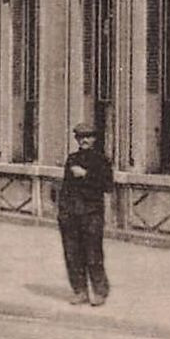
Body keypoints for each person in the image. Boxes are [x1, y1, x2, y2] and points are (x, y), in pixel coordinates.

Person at [59, 122, 113, 305]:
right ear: (76, 139)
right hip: (71, 214)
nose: (84, 140)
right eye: (80, 137)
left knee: (93, 254)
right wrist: (63, 211)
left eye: (88, 137)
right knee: (72, 254)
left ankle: (100, 291)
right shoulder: (72, 159)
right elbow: (65, 186)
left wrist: (86, 175)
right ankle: (80, 291)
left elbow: (108, 186)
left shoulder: (101, 160)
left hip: (92, 214)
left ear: (94, 139)